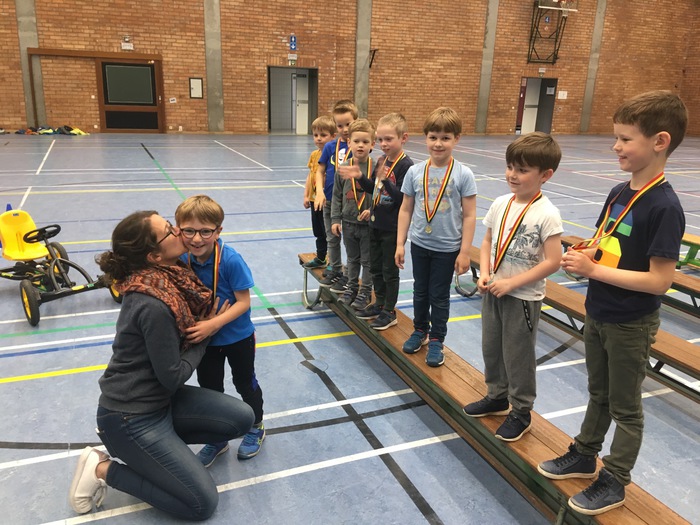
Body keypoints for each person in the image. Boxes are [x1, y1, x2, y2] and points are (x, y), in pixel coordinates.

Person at [538, 90, 688, 515]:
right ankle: (585, 454)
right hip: (600, 311)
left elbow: (660, 281)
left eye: (625, 139)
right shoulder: (620, 191)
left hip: (630, 322)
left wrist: (594, 271)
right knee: (598, 392)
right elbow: (606, 242)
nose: (615, 146)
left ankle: (616, 478)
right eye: (616, 138)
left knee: (625, 406)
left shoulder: (664, 206)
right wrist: (585, 255)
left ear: (659, 141)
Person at [68, 211, 254, 520]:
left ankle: (158, 455)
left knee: (241, 418)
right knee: (200, 504)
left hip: (161, 403)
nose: (179, 230)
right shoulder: (153, 303)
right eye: (169, 230)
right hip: (130, 417)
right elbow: (173, 376)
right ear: (154, 256)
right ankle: (102, 468)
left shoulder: (169, 276)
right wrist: (205, 333)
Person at [462, 132, 563, 442]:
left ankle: (521, 411)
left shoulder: (547, 214)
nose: (512, 175)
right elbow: (488, 241)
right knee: (492, 348)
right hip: (495, 290)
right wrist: (485, 273)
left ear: (545, 175)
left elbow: (553, 261)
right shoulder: (501, 203)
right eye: (510, 167)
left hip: (522, 297)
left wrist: (512, 283)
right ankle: (497, 396)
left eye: (522, 170)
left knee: (517, 356)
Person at [175, 195, 265, 465]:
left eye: (205, 231)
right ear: (179, 229)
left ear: (218, 231)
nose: (197, 239)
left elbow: (244, 302)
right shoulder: (181, 259)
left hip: (238, 337)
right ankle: (217, 438)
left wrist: (214, 323)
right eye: (189, 231)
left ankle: (256, 426)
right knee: (210, 390)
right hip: (205, 342)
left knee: (245, 383)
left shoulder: (230, 260)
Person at [395, 107, 477, 367]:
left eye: (445, 138)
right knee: (420, 291)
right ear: (425, 138)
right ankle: (420, 330)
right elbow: (405, 208)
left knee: (439, 296)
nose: (438, 143)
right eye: (433, 137)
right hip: (420, 244)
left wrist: (464, 252)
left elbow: (469, 216)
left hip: (447, 248)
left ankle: (437, 339)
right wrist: (400, 243)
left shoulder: (463, 174)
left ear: (456, 139)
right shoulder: (415, 172)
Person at [344, 112, 413, 329]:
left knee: (389, 271)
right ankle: (379, 303)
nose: (383, 144)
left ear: (403, 138)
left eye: (388, 139)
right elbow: (373, 188)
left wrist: (386, 182)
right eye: (380, 139)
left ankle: (389, 311)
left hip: (391, 228)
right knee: (375, 268)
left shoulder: (406, 166)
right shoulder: (382, 160)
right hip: (374, 224)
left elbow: (403, 199)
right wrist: (360, 177)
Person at [332, 118, 375, 310]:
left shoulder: (376, 167)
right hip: (348, 222)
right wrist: (335, 219)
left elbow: (381, 195)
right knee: (352, 258)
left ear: (372, 144)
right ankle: (351, 287)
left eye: (365, 141)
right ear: (349, 142)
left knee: (367, 260)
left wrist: (372, 209)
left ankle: (365, 291)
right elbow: (336, 196)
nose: (360, 145)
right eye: (356, 141)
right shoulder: (343, 168)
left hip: (368, 225)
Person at [316, 100, 358, 291]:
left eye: (348, 124)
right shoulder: (329, 147)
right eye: (340, 125)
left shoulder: (359, 146)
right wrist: (319, 191)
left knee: (350, 241)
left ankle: (349, 275)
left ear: (356, 121)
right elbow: (320, 170)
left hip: (350, 203)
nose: (344, 129)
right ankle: (335, 268)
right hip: (330, 200)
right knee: (331, 238)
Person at [303, 115, 337, 269]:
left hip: (327, 200)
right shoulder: (314, 155)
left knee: (328, 232)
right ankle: (321, 257)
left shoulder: (333, 157)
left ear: (333, 136)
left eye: (323, 135)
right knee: (318, 231)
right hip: (314, 200)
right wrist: (306, 195)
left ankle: (333, 262)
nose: (318, 138)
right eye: (316, 135)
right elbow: (311, 175)